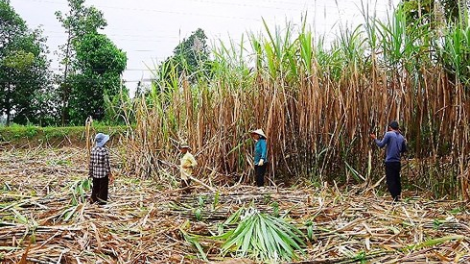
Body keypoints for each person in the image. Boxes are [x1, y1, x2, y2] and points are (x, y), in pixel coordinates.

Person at [370, 121, 407, 202]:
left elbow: (381, 145)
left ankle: (395, 197)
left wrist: (374, 138)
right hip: (397, 162)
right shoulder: (401, 137)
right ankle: (398, 194)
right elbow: (404, 149)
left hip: (390, 161)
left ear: (390, 127)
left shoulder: (389, 134)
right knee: (397, 178)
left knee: (390, 179)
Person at [89, 133, 114, 205]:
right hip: (103, 175)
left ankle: (93, 200)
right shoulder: (104, 151)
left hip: (95, 174)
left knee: (95, 188)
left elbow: (91, 163)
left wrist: (90, 173)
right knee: (103, 189)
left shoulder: (93, 150)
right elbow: (107, 165)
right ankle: (102, 203)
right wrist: (110, 175)